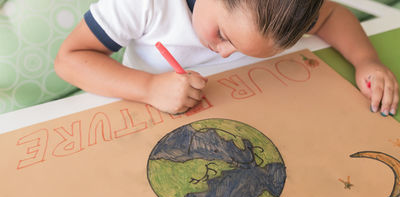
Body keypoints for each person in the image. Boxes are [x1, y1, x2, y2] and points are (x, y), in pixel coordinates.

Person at [55, 0, 399, 116]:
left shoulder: (286, 9)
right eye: (224, 35)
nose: (221, 52)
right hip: (146, 112)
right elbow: (70, 59)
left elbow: (332, 16)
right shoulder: (143, 4)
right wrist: (148, 88)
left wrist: (367, 60)